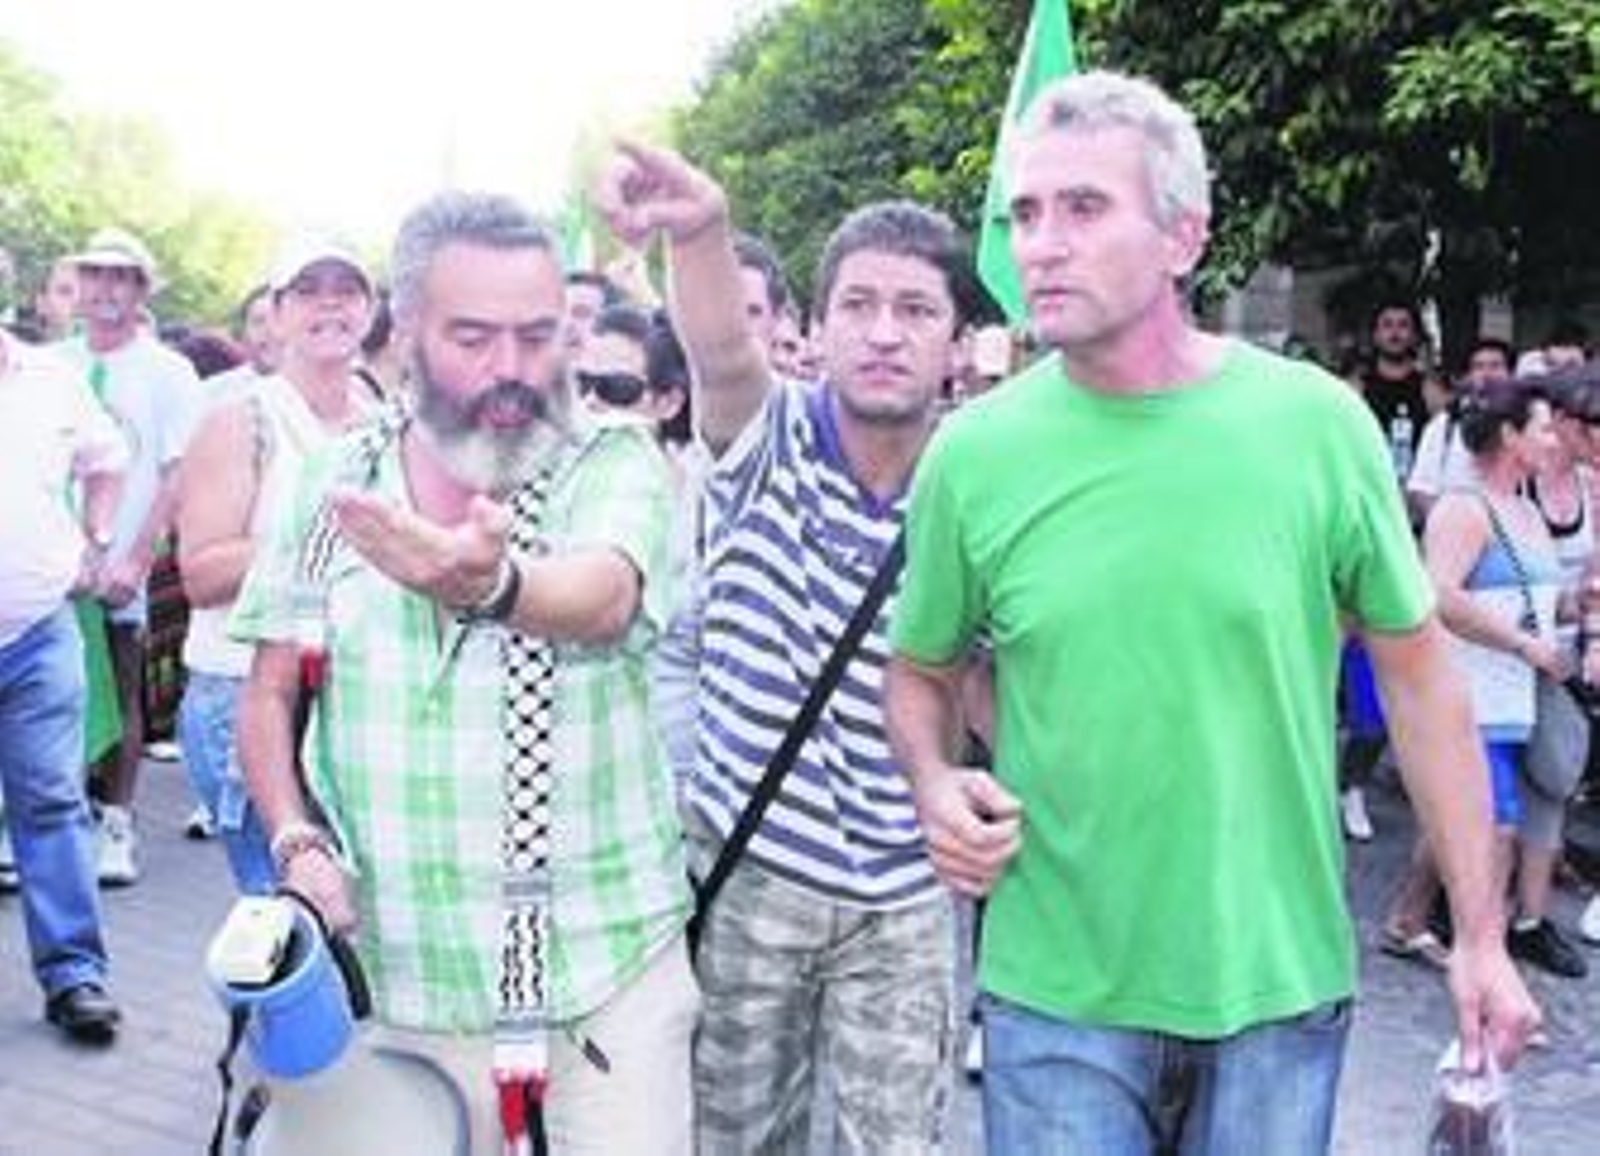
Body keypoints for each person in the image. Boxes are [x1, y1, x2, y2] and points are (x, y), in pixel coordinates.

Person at [882, 71, 1540, 1155]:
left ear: (1183, 236)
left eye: (1083, 208)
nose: (1039, 243)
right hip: (1055, 994)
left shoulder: (1316, 427)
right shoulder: (973, 453)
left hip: (1274, 988)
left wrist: (1478, 932)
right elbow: (921, 667)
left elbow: (1421, 683)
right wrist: (933, 777)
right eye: (1025, 214)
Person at [233, 192, 694, 1154]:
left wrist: (492, 585)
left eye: (537, 336)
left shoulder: (607, 460)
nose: (512, 370)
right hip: (394, 1001)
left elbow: (602, 596)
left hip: (598, 994)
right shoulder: (332, 484)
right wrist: (293, 843)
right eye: (474, 337)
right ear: (402, 337)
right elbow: (271, 694)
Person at [600, 142, 973, 1153]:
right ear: (817, 325)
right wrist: (703, 228)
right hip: (750, 869)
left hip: (903, 896)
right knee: (735, 1141)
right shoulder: (766, 435)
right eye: (857, 305)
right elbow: (721, 350)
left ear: (958, 340)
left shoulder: (977, 485)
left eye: (915, 309)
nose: (884, 333)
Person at [176, 241, 381, 894]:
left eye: (345, 290)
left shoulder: (383, 421)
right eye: (308, 290)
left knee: (342, 924)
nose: (329, 304)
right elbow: (201, 574)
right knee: (284, 918)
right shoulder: (242, 421)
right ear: (278, 313)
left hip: (347, 697)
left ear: (370, 310)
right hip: (245, 695)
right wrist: (331, 536)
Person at [55, 227, 204, 886]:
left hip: (119, 564)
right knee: (43, 691)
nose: (107, 290)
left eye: (122, 277)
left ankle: (116, 821)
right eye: (95, 275)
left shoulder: (167, 371)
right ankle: (48, 819)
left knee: (118, 685)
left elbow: (178, 473)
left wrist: (135, 558)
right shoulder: (48, 362)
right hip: (51, 564)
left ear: (141, 290)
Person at [0, 326, 127, 1043]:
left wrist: (98, 539)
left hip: (39, 634)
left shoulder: (53, 381)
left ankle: (75, 974)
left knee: (50, 805)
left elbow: (107, 460)